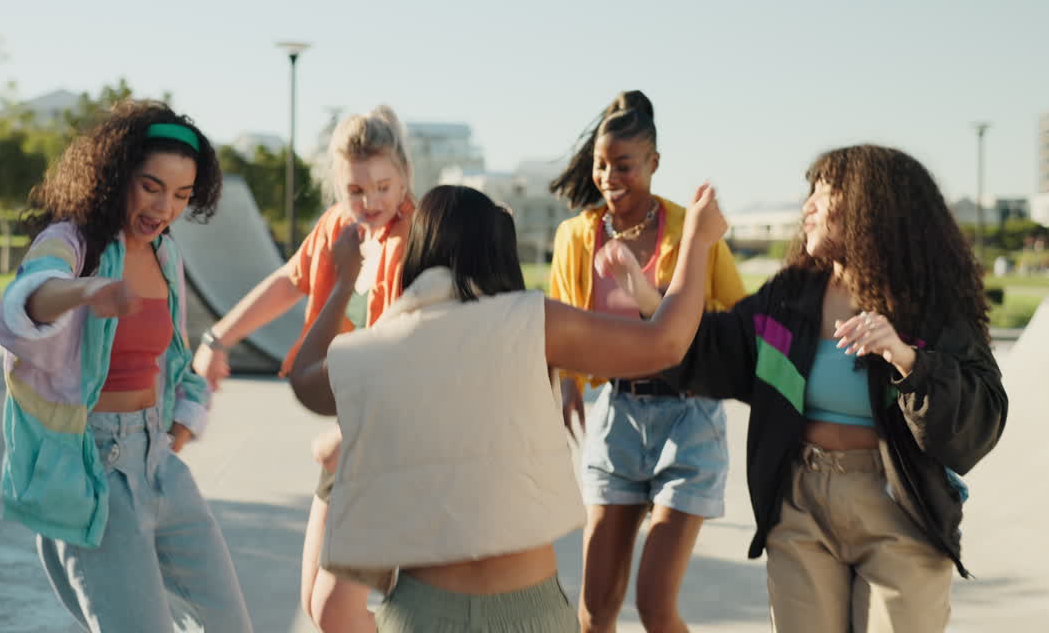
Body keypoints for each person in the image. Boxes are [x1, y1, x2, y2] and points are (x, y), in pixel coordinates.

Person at [288, 182, 728, 633]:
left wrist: (343, 283)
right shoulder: (534, 322)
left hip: (419, 613)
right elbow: (667, 343)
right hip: (529, 613)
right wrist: (696, 238)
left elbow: (304, 381)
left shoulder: (374, 350)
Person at [624, 145, 1007, 632]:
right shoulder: (790, 297)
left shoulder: (929, 311)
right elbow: (712, 353)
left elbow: (982, 414)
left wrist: (908, 360)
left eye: (822, 195)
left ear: (871, 208)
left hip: (899, 509)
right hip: (800, 503)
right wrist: (651, 289)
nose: (806, 208)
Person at [0, 100, 253, 632]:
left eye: (182, 195)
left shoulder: (165, 257)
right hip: (93, 468)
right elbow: (27, 301)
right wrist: (88, 291)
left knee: (228, 624)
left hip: (159, 460)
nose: (165, 207)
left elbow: (174, 360)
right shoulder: (72, 243)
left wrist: (184, 420)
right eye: (152, 186)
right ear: (117, 176)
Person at [191, 105, 413, 633]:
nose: (372, 201)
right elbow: (288, 282)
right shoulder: (340, 228)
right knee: (320, 608)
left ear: (404, 173)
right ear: (338, 187)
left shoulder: (421, 235)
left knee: (338, 611)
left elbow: (423, 355)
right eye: (356, 190)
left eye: (384, 186)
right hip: (347, 445)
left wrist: (355, 431)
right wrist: (217, 338)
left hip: (394, 448)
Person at [546, 90, 745, 632]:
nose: (610, 177)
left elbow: (740, 314)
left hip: (689, 420)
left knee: (656, 606)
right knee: (595, 612)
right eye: (601, 165)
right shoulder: (575, 236)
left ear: (654, 163)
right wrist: (566, 385)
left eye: (624, 166)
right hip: (616, 418)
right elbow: (562, 319)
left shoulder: (690, 230)